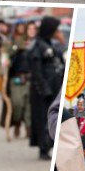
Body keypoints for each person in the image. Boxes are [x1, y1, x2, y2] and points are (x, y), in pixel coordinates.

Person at [27, 16, 66, 160]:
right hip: (43, 91)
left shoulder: (50, 43)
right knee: (43, 119)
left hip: (55, 87)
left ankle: (50, 145)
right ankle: (44, 148)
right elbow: (36, 70)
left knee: (51, 118)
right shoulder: (37, 45)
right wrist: (45, 89)